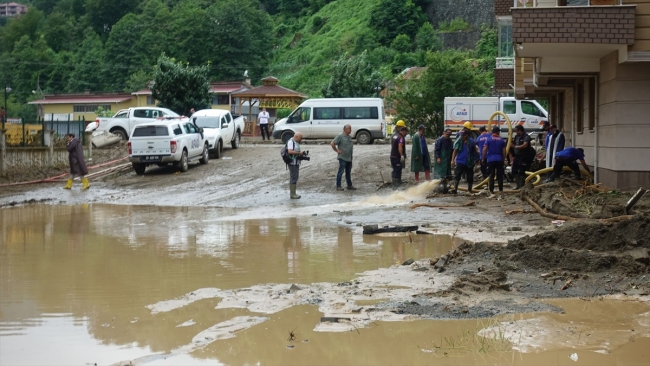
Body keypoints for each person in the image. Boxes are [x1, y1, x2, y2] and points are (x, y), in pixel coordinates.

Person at [482, 126, 507, 195]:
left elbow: (484, 149)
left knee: (491, 176)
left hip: (490, 160)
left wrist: (483, 158)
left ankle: (491, 191)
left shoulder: (489, 139)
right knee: (500, 175)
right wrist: (504, 159)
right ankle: (500, 190)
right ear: (498, 132)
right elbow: (504, 151)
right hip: (499, 160)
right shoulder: (502, 140)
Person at [331, 124, 355, 191]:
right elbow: (332, 143)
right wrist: (337, 150)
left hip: (349, 158)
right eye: (349, 129)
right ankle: (338, 186)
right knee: (341, 172)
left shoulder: (349, 137)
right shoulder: (340, 136)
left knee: (348, 172)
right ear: (345, 129)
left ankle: (349, 185)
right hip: (343, 158)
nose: (350, 130)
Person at [511, 125, 535, 189]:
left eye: (516, 131)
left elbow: (525, 145)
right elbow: (513, 145)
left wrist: (516, 147)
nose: (515, 132)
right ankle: (518, 185)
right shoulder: (516, 137)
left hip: (524, 156)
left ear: (520, 130)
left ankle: (522, 186)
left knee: (522, 171)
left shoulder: (526, 137)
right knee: (514, 170)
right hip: (517, 156)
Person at [286, 132, 307, 199]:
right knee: (294, 177)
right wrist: (299, 153)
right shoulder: (291, 142)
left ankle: (293, 193)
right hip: (292, 163)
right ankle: (292, 194)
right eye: (300, 138)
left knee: (295, 176)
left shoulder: (295, 142)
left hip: (296, 162)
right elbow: (290, 151)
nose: (301, 140)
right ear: (297, 137)